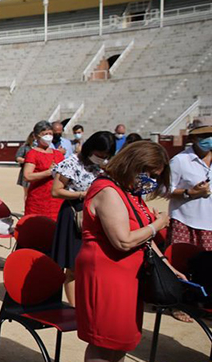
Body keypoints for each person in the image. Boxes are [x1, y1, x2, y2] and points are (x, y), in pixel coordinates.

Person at [75, 141, 184, 362]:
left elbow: (144, 238)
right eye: (150, 173)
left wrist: (168, 267)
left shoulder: (129, 191)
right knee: (104, 342)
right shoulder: (108, 190)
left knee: (121, 340)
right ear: (133, 165)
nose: (152, 180)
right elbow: (123, 241)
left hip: (127, 275)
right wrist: (158, 224)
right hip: (106, 273)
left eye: (156, 175)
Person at [50, 131, 115, 306]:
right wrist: (83, 194)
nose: (101, 158)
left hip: (98, 216)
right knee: (74, 267)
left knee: (95, 263)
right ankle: (75, 307)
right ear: (91, 149)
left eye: (105, 156)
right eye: (99, 154)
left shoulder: (105, 166)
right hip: (75, 215)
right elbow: (56, 191)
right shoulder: (71, 163)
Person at [168, 117, 212, 251]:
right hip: (186, 224)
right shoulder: (180, 161)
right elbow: (165, 190)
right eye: (203, 136)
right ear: (193, 138)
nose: (209, 139)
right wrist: (190, 193)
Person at [23, 120, 65, 220]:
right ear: (37, 136)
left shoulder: (58, 154)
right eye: (45, 134)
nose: (48, 136)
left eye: (50, 133)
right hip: (38, 198)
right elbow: (27, 176)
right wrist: (48, 172)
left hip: (57, 199)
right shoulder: (32, 154)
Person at [15, 132, 35, 201]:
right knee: (28, 192)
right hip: (27, 171)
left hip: (38, 171)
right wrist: (28, 160)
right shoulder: (25, 147)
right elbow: (17, 158)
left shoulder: (40, 147)